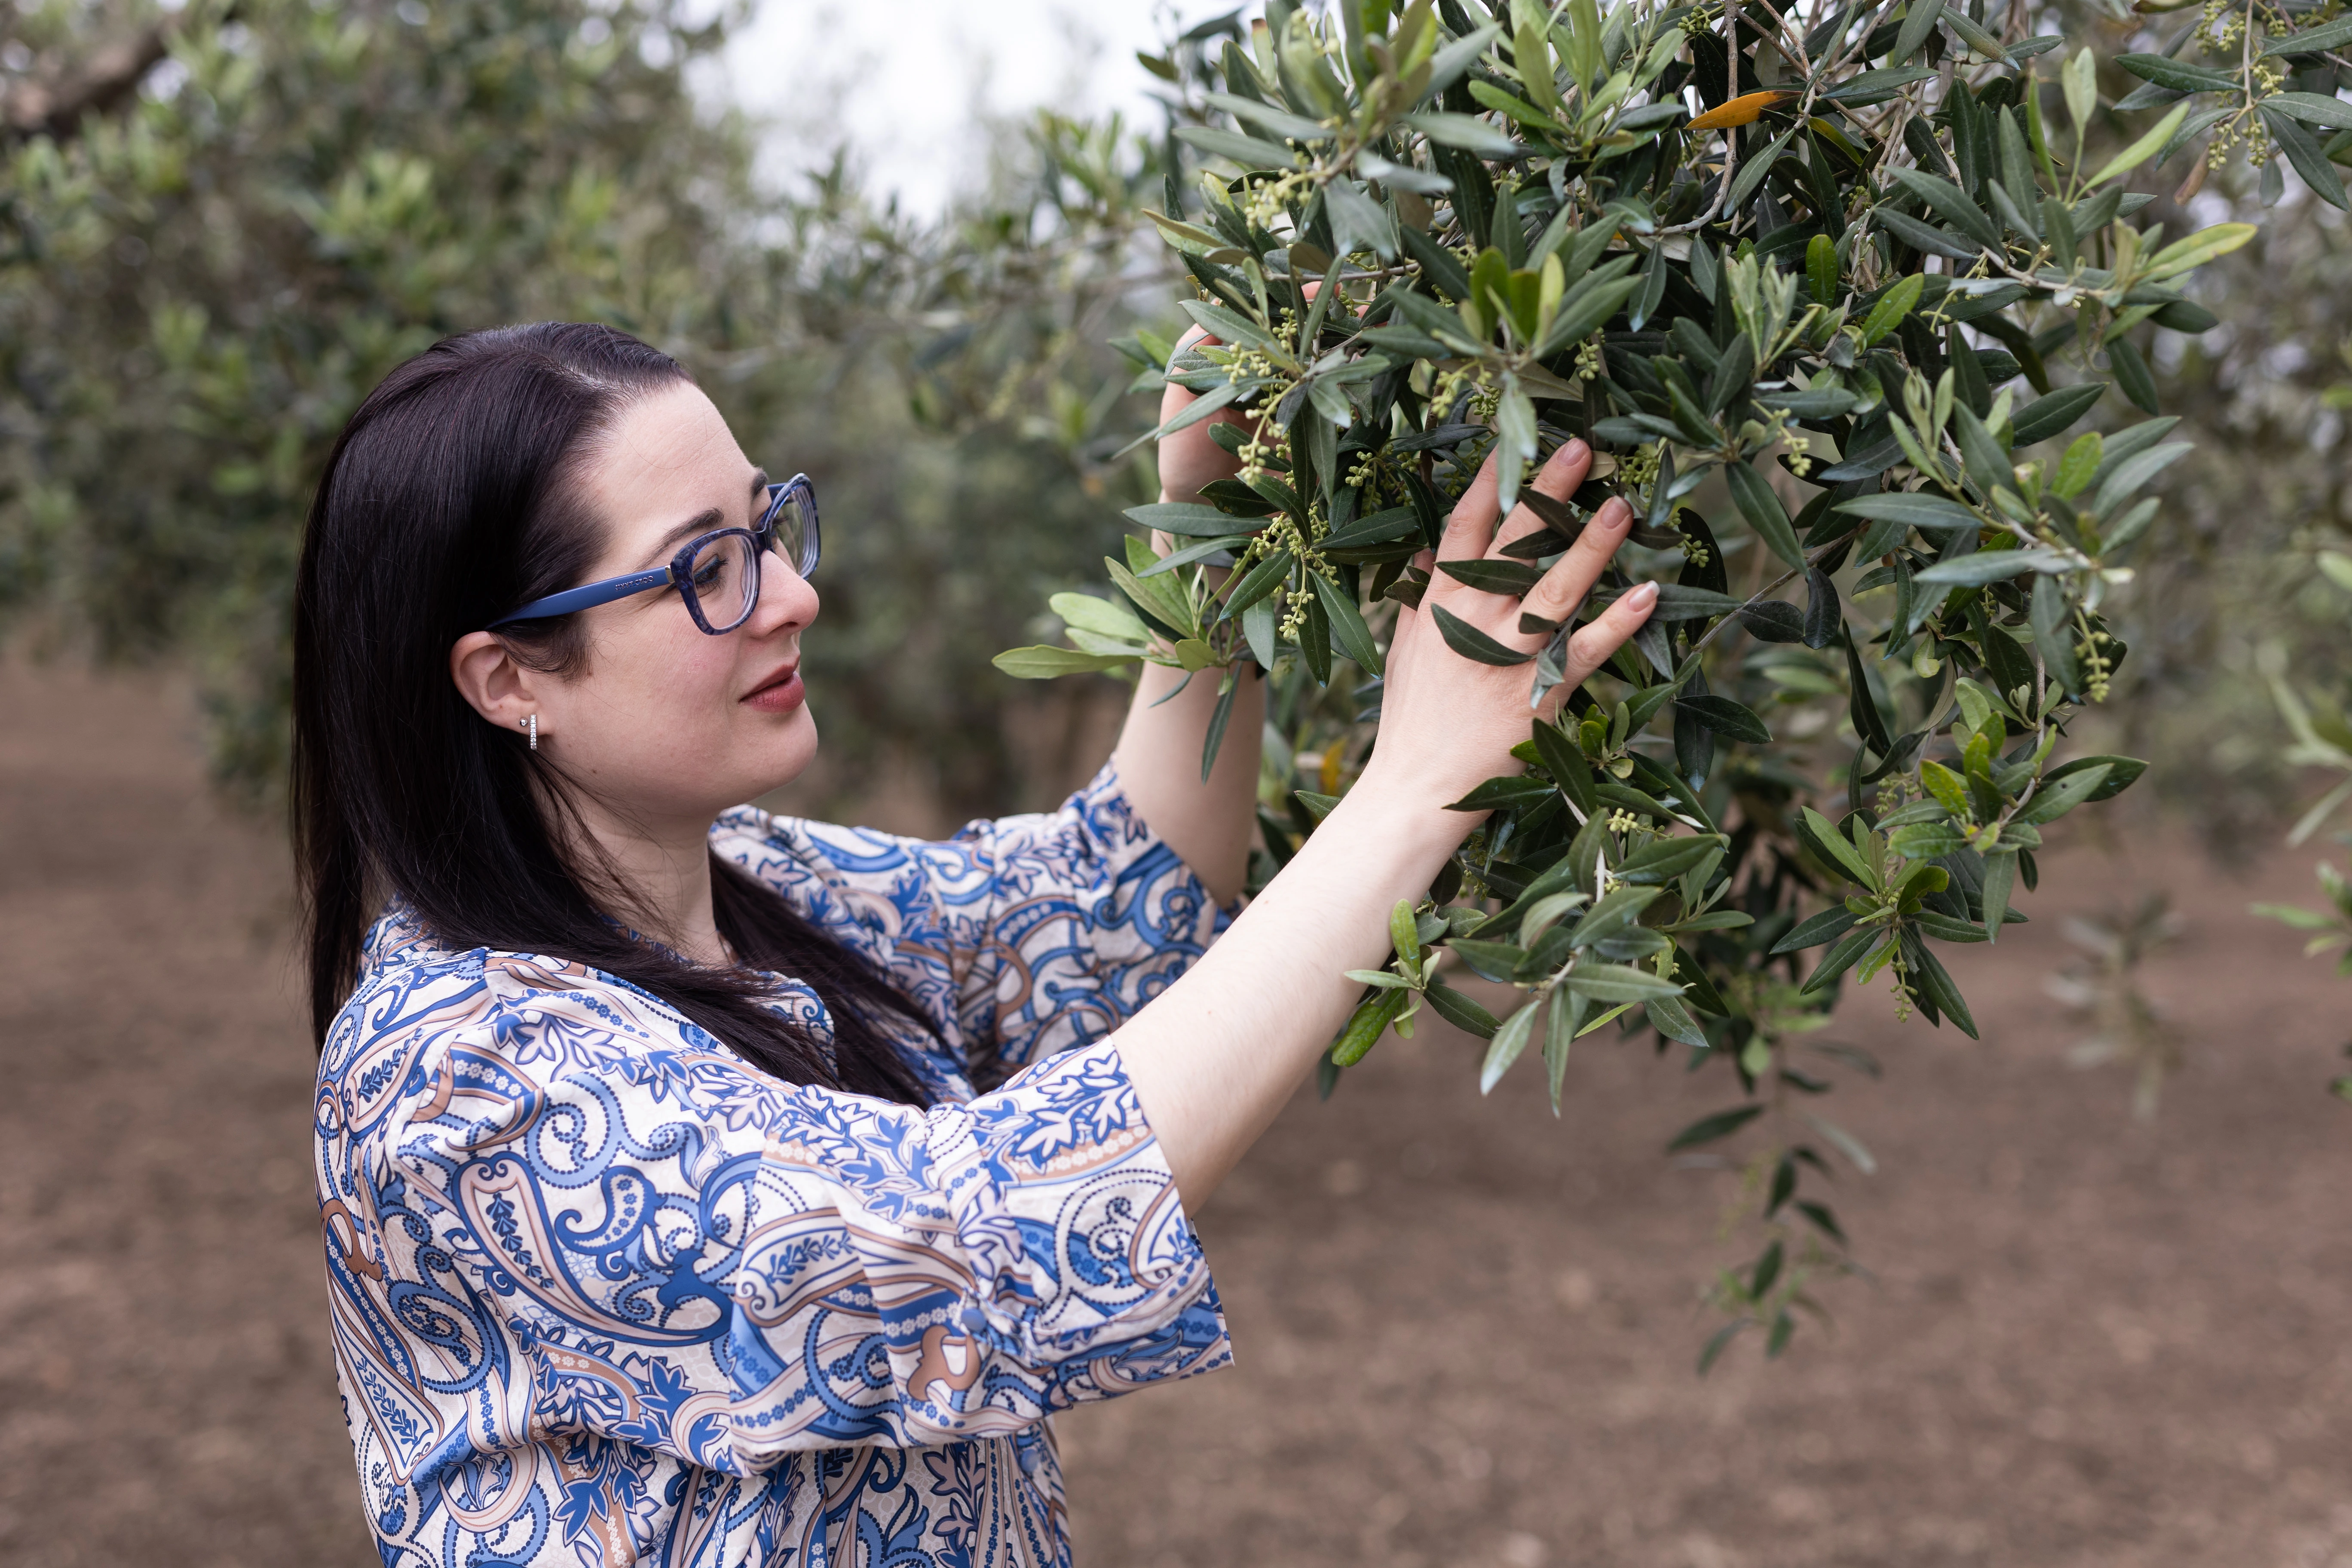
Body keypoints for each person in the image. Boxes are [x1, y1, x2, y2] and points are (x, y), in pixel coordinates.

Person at [297, 321, 1656, 1567]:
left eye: (769, 525)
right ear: (510, 677)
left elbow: (1119, 905)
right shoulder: (456, 1085)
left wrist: (1216, 545)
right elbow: (958, 1242)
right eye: (707, 569)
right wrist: (1414, 786)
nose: (788, 596)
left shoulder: (758, 890)